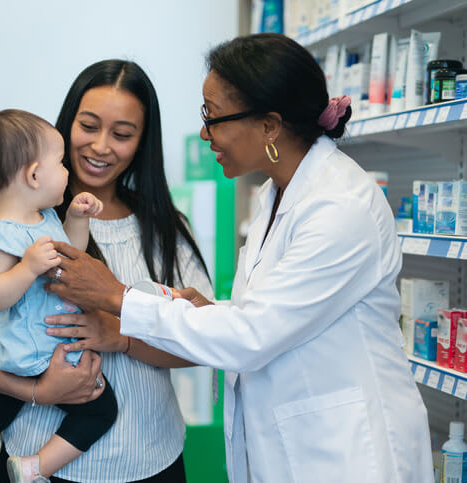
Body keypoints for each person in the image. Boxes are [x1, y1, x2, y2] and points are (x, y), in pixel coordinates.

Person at [44, 34, 433, 483]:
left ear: (269, 126)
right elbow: (269, 313)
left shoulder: (341, 207)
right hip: (290, 445)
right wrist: (213, 313)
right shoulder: (276, 192)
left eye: (213, 116)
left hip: (347, 454)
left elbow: (253, 336)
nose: (206, 133)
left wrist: (116, 297)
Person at [0, 60, 213, 482]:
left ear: (142, 142)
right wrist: (36, 391)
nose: (100, 146)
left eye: (121, 134)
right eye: (88, 125)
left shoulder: (167, 227)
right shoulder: (20, 224)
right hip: (35, 463)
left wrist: (119, 335)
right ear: (66, 126)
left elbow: (201, 340)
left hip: (153, 461)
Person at [0, 109, 119, 483]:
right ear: (35, 175)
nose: (68, 171)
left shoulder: (46, 216)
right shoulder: (2, 234)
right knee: (101, 410)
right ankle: (15, 468)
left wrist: (78, 221)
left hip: (42, 346)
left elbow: (70, 257)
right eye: (61, 162)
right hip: (26, 349)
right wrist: (26, 269)